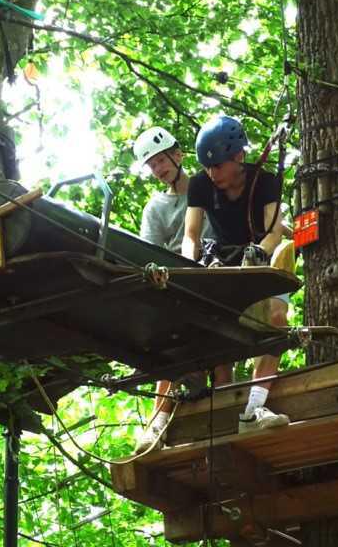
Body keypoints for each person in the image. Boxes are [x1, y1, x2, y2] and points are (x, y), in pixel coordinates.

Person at [183, 115, 291, 433]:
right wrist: (189, 265)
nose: (211, 173)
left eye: (218, 166)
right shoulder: (200, 184)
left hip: (260, 261)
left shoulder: (266, 182)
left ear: (238, 157)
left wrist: (258, 252)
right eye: (207, 166)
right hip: (222, 262)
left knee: (276, 320)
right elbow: (191, 234)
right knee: (219, 329)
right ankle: (223, 410)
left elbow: (273, 232)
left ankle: (254, 409)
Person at [132, 125, 212, 452]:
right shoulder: (157, 208)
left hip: (216, 271)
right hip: (178, 279)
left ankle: (225, 407)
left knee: (222, 346)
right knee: (172, 340)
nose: (158, 169)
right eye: (152, 165)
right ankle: (158, 422)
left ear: (178, 155)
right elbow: (148, 254)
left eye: (161, 161)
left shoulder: (209, 188)